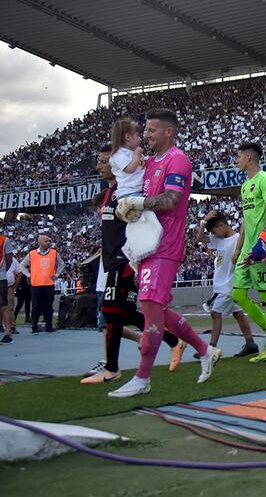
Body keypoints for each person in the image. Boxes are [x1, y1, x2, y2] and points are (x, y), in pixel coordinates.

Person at [109, 108, 220, 398]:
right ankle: (205, 350)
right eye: (145, 130)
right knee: (155, 309)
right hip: (146, 244)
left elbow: (171, 200)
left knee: (149, 308)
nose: (146, 135)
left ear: (168, 132)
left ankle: (143, 378)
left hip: (166, 245)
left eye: (151, 130)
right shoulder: (150, 162)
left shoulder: (178, 159)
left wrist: (138, 203)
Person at [82, 145, 183, 384]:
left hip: (124, 259)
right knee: (123, 312)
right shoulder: (109, 192)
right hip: (111, 261)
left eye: (105, 161)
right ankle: (174, 341)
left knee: (110, 311)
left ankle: (111, 368)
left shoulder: (127, 192)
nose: (100, 166)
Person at [228, 142, 266, 363]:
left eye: (239, 156)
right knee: (238, 295)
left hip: (264, 248)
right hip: (248, 249)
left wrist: (261, 241)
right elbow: (245, 220)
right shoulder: (245, 185)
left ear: (249, 158)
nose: (237, 160)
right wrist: (239, 248)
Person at [195, 211, 259, 358]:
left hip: (228, 285)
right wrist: (204, 221)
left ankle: (211, 349)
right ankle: (250, 343)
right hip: (220, 285)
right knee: (238, 314)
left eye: (214, 231)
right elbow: (199, 237)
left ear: (222, 225)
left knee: (215, 313)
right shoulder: (217, 239)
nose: (213, 234)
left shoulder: (238, 239)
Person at [20, 235, 63, 334]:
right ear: (40, 243)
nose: (49, 242)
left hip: (49, 284)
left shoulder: (54, 253)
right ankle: (34, 327)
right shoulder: (32, 254)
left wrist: (56, 275)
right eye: (46, 241)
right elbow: (22, 265)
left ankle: (49, 326)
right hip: (36, 284)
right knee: (36, 306)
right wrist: (29, 275)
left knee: (49, 306)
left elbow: (61, 264)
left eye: (49, 241)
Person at [108, 118, 145, 199]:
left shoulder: (133, 152)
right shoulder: (118, 154)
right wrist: (137, 155)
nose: (140, 139)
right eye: (137, 135)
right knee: (150, 211)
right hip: (128, 194)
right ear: (127, 137)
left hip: (139, 192)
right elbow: (130, 169)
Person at [1, 232, 16, 343]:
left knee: (4, 305)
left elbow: (9, 260)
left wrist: (3, 271)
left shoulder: (4, 240)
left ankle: (8, 332)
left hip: (1, 277)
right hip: (1, 276)